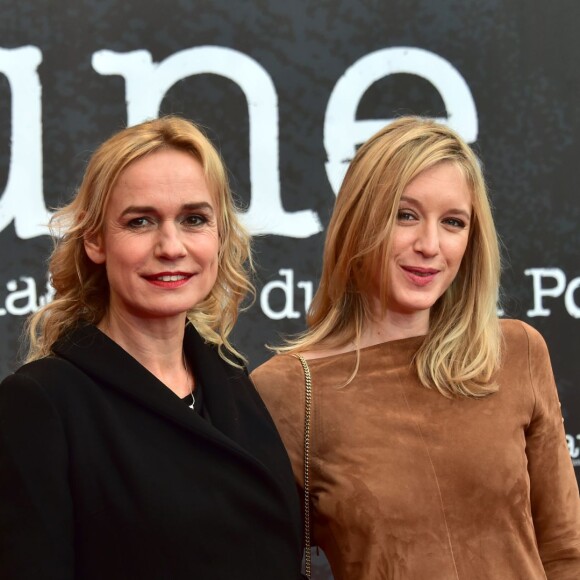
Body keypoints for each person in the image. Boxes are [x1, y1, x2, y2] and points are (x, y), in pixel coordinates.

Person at [251, 116, 580, 580]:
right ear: (359, 220)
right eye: (405, 215)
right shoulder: (289, 390)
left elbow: (566, 552)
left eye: (453, 222)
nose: (430, 245)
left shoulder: (517, 352)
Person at [0, 116, 303, 579]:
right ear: (96, 240)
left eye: (194, 219)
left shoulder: (234, 380)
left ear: (220, 236)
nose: (171, 246)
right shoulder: (42, 403)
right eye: (140, 221)